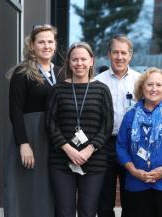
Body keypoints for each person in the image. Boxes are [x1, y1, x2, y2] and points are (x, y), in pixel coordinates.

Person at [46, 42, 114, 217]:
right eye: (74, 59)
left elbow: (107, 125)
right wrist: (69, 149)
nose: (79, 63)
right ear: (69, 62)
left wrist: (88, 151)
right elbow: (50, 123)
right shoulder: (58, 90)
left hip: (94, 160)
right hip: (61, 160)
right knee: (64, 211)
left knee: (88, 211)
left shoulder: (101, 90)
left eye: (83, 59)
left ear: (91, 61)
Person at [5, 24, 65, 217]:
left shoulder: (61, 73)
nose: (46, 46)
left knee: (49, 185)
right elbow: (15, 111)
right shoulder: (22, 73)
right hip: (31, 135)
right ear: (32, 45)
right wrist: (23, 143)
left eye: (50, 41)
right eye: (41, 42)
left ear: (55, 45)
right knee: (27, 186)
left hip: (55, 137)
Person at [116, 67, 162, 217]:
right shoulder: (130, 115)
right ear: (142, 87)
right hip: (137, 183)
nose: (154, 89)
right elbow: (121, 147)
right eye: (149, 84)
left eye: (158, 85)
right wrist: (134, 172)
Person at [95, 34, 141, 217]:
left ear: (130, 55)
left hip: (132, 145)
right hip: (104, 145)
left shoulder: (141, 81)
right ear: (109, 54)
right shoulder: (97, 82)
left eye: (124, 53)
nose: (119, 57)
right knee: (104, 201)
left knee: (131, 199)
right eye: (115, 52)